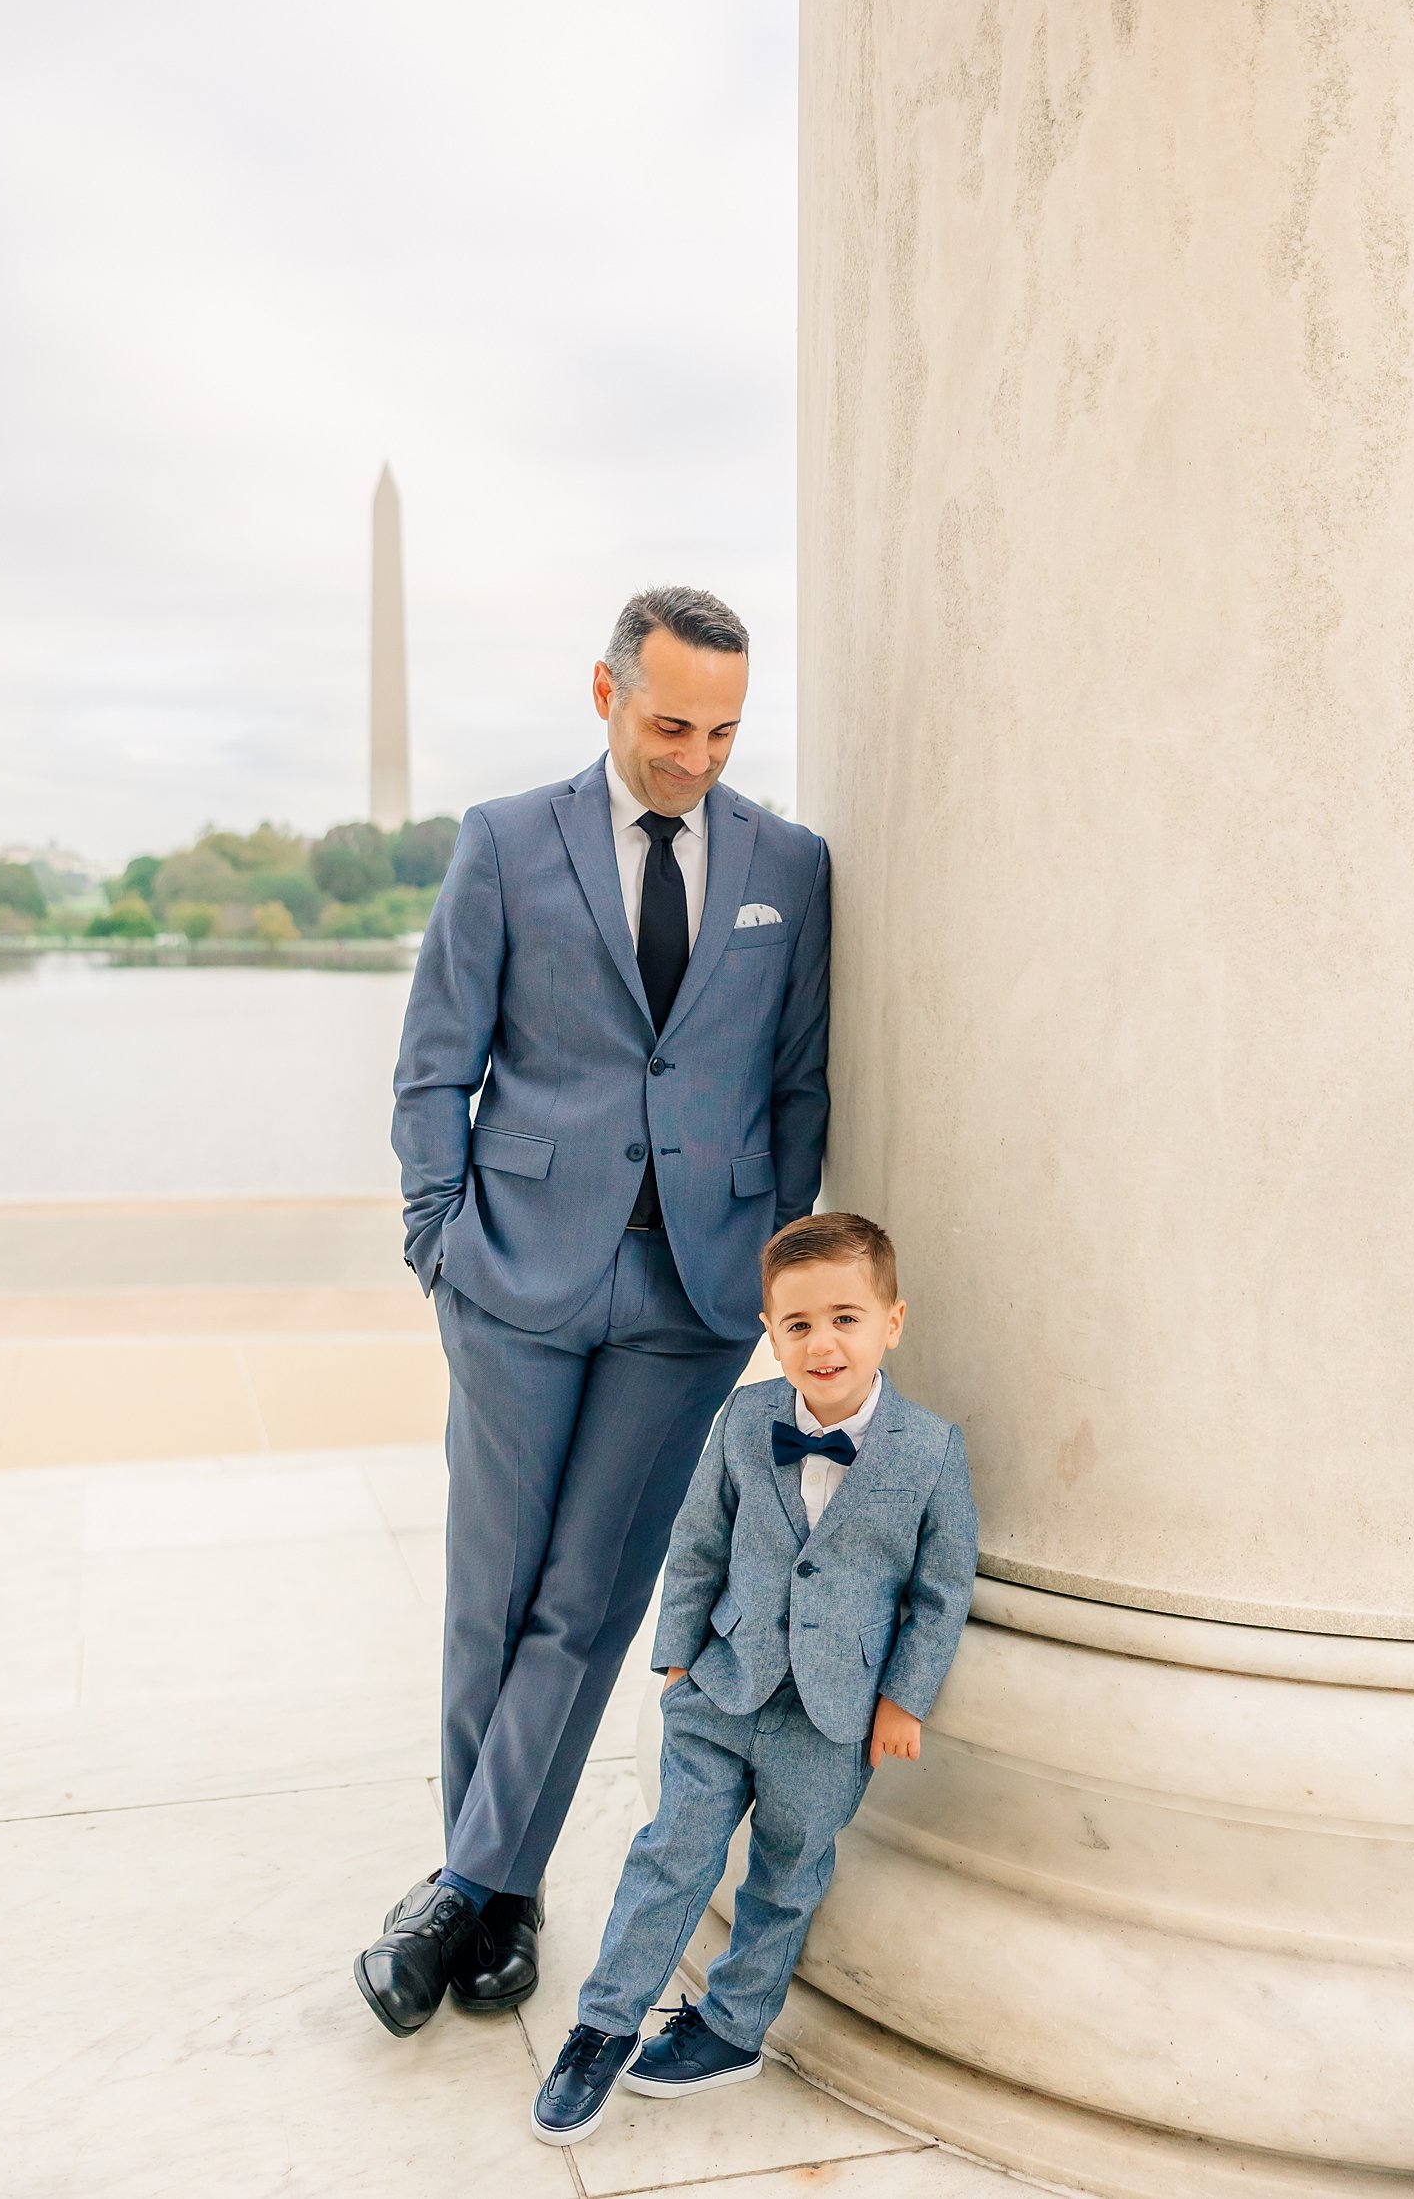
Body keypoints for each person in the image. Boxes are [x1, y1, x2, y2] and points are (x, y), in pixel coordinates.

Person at [355, 587, 831, 2035]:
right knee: (491, 1594)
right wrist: (439, 1237)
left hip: (689, 1292)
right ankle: (500, 1893)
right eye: (674, 722)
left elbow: (798, 1081)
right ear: (607, 694)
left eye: (727, 729)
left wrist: (762, 1259)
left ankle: (468, 1885)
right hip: (515, 1266)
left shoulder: (790, 867)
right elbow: (434, 1060)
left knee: (592, 1597)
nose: (700, 754)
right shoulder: (504, 842)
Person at [530, 1211, 977, 2146]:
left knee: (788, 1872)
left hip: (835, 1716)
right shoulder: (744, 1420)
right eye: (798, 1324)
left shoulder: (931, 1452)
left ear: (892, 1322)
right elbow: (696, 1541)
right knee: (672, 1853)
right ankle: (602, 2027)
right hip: (723, 1686)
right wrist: (678, 1654)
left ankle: (733, 2029)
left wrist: (902, 1702)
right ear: (770, 1333)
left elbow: (940, 1593)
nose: (823, 1343)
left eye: (846, 1318)